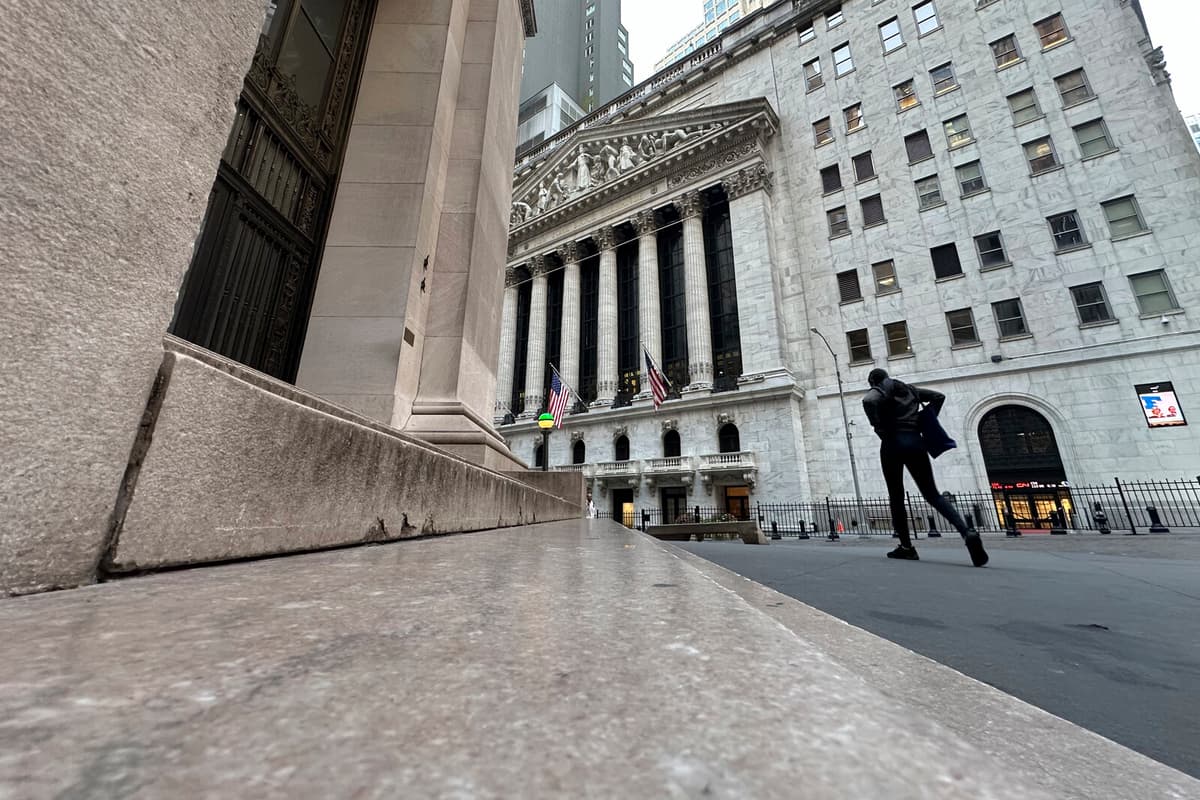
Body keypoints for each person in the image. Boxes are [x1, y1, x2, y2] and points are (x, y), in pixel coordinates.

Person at [862, 368, 988, 567]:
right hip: (915, 440)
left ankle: (906, 547)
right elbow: (939, 396)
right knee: (932, 493)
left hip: (892, 442)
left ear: (873, 381)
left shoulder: (880, 390)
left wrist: (877, 425)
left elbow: (868, 401)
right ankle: (967, 532)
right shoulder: (911, 390)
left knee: (896, 496)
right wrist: (923, 420)